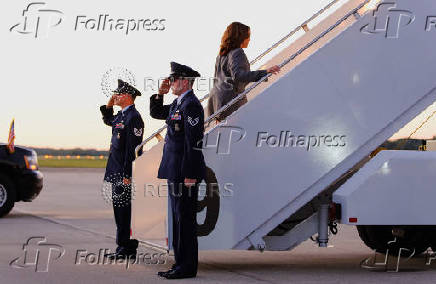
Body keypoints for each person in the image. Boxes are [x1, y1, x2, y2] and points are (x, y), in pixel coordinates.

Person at [150, 62, 205, 280]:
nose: (170, 83)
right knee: (177, 219)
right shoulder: (177, 104)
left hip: (185, 172)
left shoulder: (191, 105)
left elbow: (194, 142)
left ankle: (187, 267)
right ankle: (180, 263)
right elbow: (156, 113)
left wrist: (191, 173)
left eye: (173, 80)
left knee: (186, 221)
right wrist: (159, 93)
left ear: (184, 81)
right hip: (174, 170)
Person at [100, 79, 144, 260]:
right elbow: (107, 120)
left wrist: (127, 174)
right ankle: (124, 246)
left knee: (124, 211)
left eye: (118, 94)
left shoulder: (134, 117)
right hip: (115, 170)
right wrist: (108, 105)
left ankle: (126, 247)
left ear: (127, 96)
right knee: (119, 210)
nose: (115, 96)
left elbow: (133, 150)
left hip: (123, 173)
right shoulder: (121, 116)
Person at [207, 21, 281, 120]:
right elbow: (238, 75)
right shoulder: (237, 52)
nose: (249, 39)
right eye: (248, 35)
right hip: (232, 101)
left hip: (218, 102)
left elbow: (218, 79)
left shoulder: (221, 55)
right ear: (241, 37)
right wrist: (265, 72)